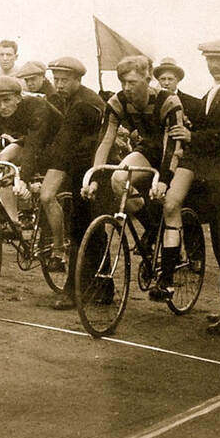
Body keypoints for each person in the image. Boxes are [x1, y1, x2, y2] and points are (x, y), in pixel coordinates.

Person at [164, 40, 220, 334]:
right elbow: (212, 126)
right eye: (210, 60)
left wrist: (194, 136)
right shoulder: (213, 92)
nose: (215, 65)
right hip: (217, 181)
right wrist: (193, 125)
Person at [81, 55, 186, 301]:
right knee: (118, 179)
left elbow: (173, 145)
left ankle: (167, 278)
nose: (127, 88)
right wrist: (95, 176)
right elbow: (105, 139)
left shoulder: (168, 101)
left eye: (133, 82)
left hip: (178, 151)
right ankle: (150, 227)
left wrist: (164, 180)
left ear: (147, 79)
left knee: (169, 202)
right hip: (150, 147)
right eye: (123, 82)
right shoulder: (117, 102)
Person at [41, 57, 106, 310]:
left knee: (83, 228)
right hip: (82, 165)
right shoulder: (68, 100)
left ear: (78, 80)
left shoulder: (83, 104)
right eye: (56, 80)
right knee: (91, 227)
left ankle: (74, 289)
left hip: (93, 168)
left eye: (64, 80)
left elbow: (65, 144)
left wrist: (42, 168)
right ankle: (102, 287)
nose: (58, 85)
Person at [0, 76, 62, 230]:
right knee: (2, 161)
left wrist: (23, 178)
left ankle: (27, 202)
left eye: (6, 100)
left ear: (18, 97)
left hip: (55, 142)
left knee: (22, 174)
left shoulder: (36, 106)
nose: (1, 106)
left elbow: (33, 146)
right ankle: (13, 221)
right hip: (30, 140)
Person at [153, 57, 202, 126]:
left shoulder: (194, 103)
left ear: (178, 80)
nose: (166, 83)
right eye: (163, 79)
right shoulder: (153, 102)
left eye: (170, 79)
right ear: (158, 80)